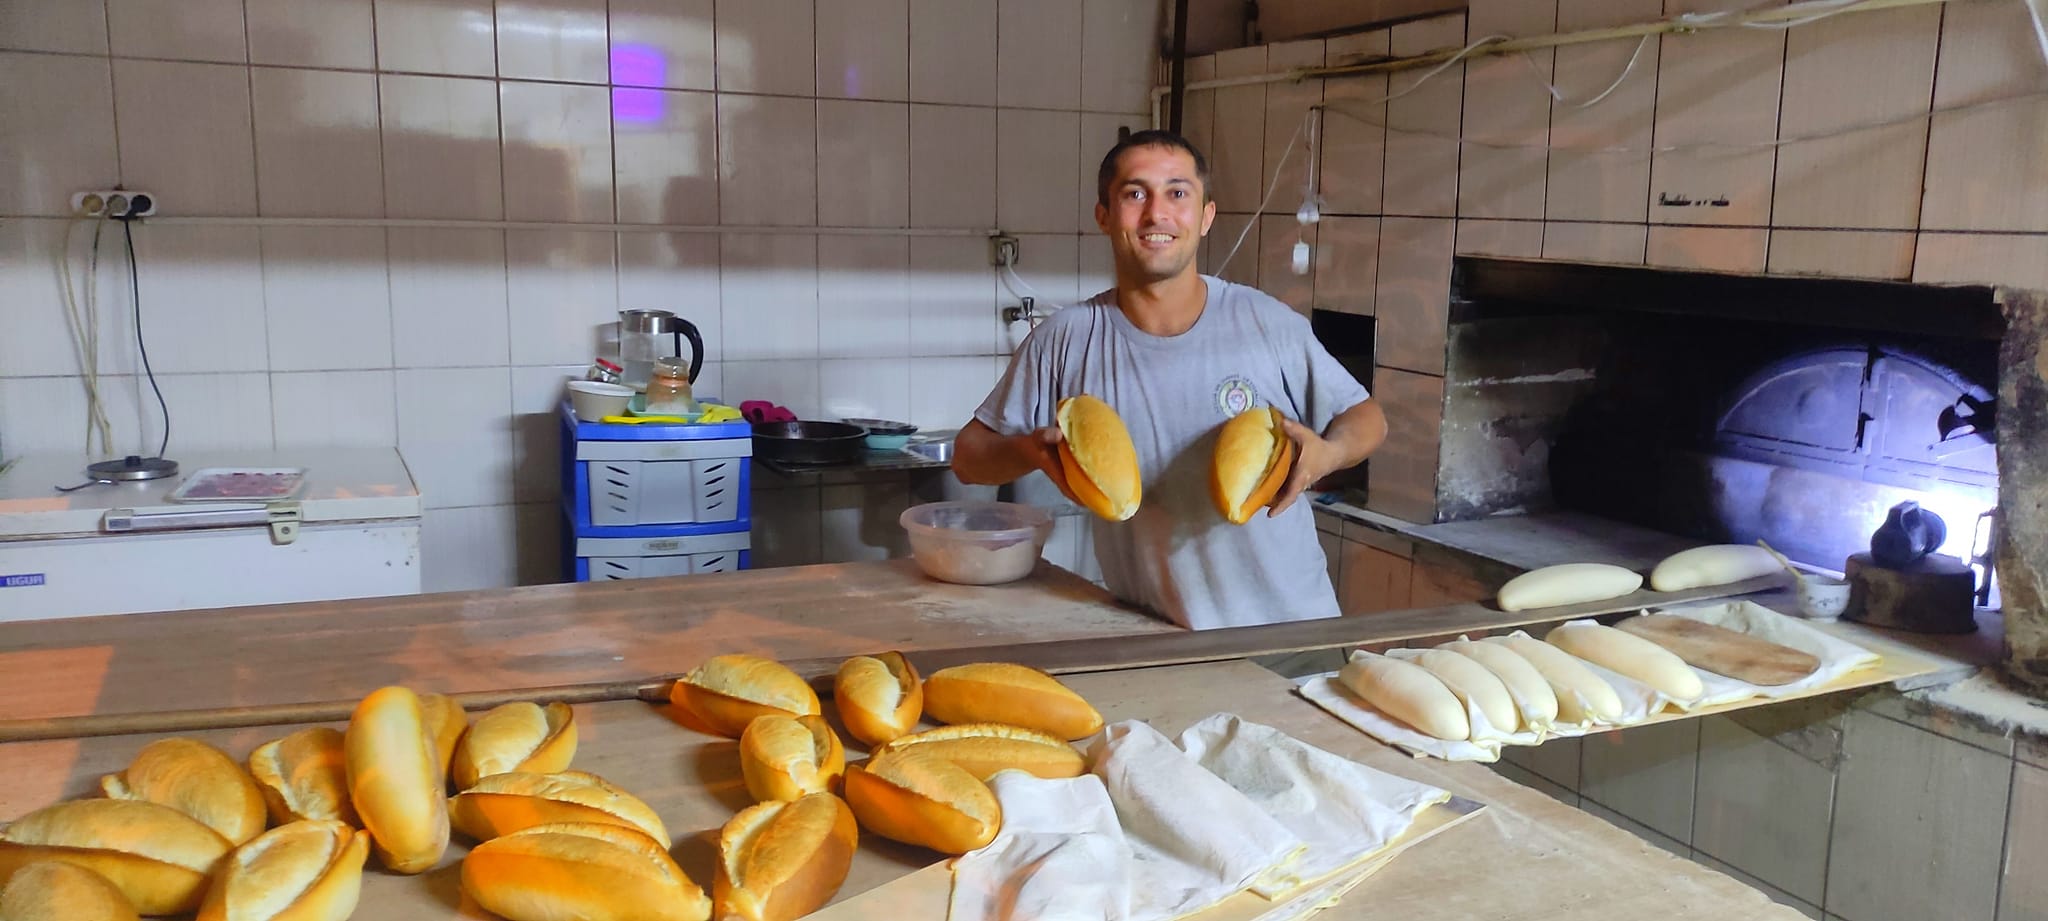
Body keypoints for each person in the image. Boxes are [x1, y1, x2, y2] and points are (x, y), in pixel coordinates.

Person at [951, 129, 1387, 630]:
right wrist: (1033, 451)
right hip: (1157, 635)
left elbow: (1366, 417)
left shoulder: (1266, 323)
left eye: (1177, 194)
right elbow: (968, 457)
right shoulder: (1065, 340)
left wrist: (1327, 455)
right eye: (1135, 194)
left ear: (1205, 217)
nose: (1157, 214)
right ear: (1104, 216)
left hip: (1291, 631)